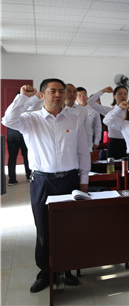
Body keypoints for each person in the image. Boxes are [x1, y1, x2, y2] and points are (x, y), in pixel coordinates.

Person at [2, 79, 90, 293]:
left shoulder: (75, 118)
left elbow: (82, 151)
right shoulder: (29, 119)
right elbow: (8, 119)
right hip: (42, 181)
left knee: (68, 228)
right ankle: (45, 272)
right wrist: (23, 97)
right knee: (43, 228)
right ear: (41, 95)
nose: (58, 95)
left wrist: (84, 181)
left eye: (61, 91)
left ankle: (67, 269)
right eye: (52, 91)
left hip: (69, 180)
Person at [88, 85, 129, 159]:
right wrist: (103, 91)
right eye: (120, 94)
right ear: (114, 96)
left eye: (125, 94)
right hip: (115, 143)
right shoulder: (109, 110)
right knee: (112, 165)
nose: (123, 96)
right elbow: (90, 102)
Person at [64, 84, 93, 152]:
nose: (72, 94)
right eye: (69, 91)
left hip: (80, 146)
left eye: (74, 92)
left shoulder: (82, 110)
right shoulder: (57, 109)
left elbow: (87, 130)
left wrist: (89, 147)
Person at [76, 87, 103, 151]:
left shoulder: (93, 109)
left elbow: (97, 127)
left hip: (88, 141)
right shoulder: (72, 109)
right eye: (79, 96)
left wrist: (97, 141)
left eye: (84, 95)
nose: (82, 98)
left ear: (87, 96)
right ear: (75, 97)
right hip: (75, 142)